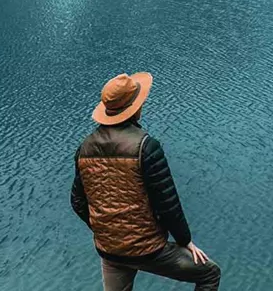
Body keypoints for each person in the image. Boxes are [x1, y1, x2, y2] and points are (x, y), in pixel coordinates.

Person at [71, 72, 221, 291]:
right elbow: (167, 204)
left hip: (110, 251)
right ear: (134, 109)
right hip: (149, 250)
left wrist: (106, 231)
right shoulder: (145, 147)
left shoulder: (84, 149)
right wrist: (184, 241)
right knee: (209, 273)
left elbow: (77, 201)